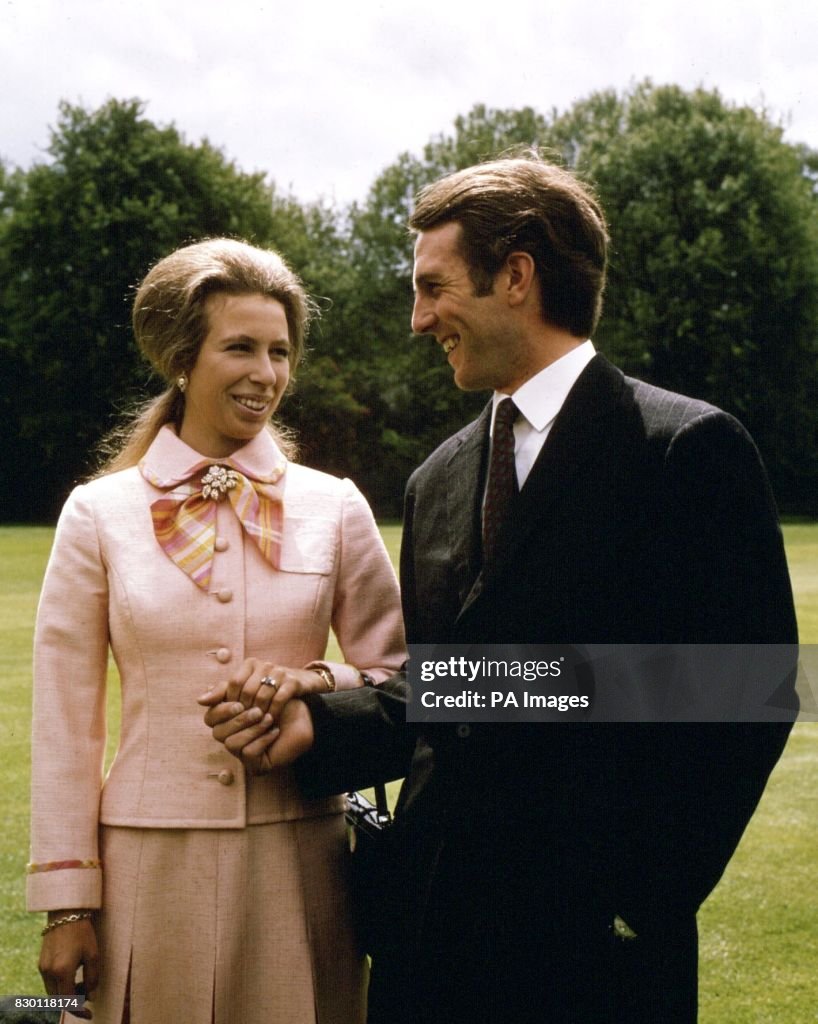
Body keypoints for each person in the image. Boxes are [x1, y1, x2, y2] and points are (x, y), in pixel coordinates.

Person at [203, 157, 799, 1023]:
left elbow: (751, 687)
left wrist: (644, 898)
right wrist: (321, 722)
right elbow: (449, 694)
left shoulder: (685, 449)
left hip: (595, 951)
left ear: (516, 276)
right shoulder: (435, 480)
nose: (417, 319)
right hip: (429, 937)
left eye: (433, 287)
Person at [28, 238, 406, 1024]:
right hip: (147, 864)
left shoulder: (334, 506)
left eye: (279, 351)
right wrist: (68, 903)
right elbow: (65, 724)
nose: (265, 373)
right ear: (181, 357)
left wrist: (317, 683)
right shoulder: (97, 515)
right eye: (240, 347)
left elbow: (399, 681)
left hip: (303, 859)